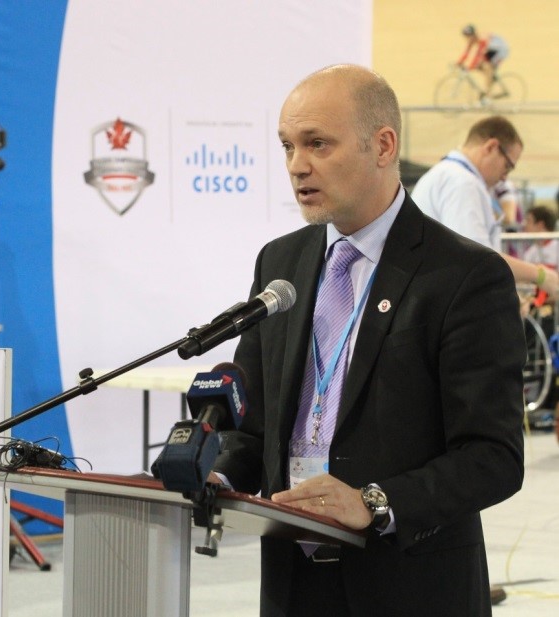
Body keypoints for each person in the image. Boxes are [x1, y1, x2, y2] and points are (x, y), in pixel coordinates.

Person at [209, 65, 525, 616]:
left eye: (317, 144)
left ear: (382, 146)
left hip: (409, 586)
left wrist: (374, 504)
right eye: (287, 146)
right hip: (292, 584)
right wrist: (212, 473)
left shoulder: (463, 276)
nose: (296, 165)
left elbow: (493, 455)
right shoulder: (280, 262)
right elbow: (254, 426)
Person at [411, 115, 559, 299]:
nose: (505, 177)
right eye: (507, 166)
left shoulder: (450, 175)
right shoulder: (463, 183)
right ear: (491, 147)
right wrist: (540, 275)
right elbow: (477, 259)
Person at [457, 24, 510, 101]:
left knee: (488, 68)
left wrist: (469, 67)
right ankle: (490, 78)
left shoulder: (482, 39)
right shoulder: (472, 40)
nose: (467, 38)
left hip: (500, 50)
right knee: (479, 66)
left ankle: (488, 94)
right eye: (466, 36)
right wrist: (459, 63)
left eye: (469, 36)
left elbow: (479, 55)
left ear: (474, 34)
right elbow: (466, 53)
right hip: (491, 49)